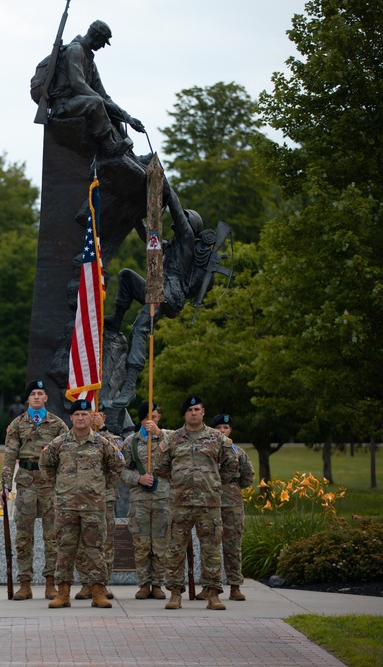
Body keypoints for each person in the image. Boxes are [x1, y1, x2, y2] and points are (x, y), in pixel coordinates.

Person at [104, 209, 224, 406]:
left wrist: (164, 188)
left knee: (139, 328)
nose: (178, 220)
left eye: (184, 219)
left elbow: (176, 210)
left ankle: (129, 386)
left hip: (169, 293)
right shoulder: (170, 245)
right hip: (157, 288)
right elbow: (147, 234)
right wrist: (134, 212)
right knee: (126, 275)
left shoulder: (187, 242)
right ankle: (116, 319)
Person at [153, 396, 238, 610]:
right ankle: (174, 593)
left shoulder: (217, 438)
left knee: (211, 549)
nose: (193, 413)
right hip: (180, 503)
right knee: (175, 550)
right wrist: (179, 480)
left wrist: (214, 482)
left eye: (197, 409)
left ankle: (213, 594)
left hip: (208, 503)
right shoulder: (173, 439)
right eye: (189, 410)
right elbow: (160, 466)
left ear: (203, 412)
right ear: (184, 414)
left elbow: (231, 464)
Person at [41, 399, 125, 609]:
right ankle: (63, 593)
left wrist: (102, 486)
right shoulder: (59, 443)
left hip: (93, 507)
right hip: (66, 506)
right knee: (65, 549)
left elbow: (117, 465)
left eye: (85, 414)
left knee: (95, 549)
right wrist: (60, 485)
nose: (80, 418)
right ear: (71, 417)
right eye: (77, 414)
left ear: (91, 417)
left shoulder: (102, 443)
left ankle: (98, 592)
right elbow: (45, 464)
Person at [1, 379, 69, 601]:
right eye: (33, 394)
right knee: (23, 535)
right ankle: (25, 583)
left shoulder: (58, 425)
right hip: (26, 482)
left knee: (52, 535)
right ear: (28, 399)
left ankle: (51, 583)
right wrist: (5, 485)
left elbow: (66, 457)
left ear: (46, 398)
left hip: (49, 483)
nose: (37, 397)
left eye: (41, 393)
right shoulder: (17, 424)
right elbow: (10, 456)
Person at [45, 20, 146, 157]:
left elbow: (104, 96)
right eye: (103, 41)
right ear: (96, 36)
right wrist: (101, 102)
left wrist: (127, 117)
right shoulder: (75, 50)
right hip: (64, 106)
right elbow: (78, 85)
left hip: (77, 104)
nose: (103, 46)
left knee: (111, 112)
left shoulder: (90, 61)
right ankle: (109, 146)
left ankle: (130, 156)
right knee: (96, 103)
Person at [120, 401, 170, 600]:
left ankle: (158, 584)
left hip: (162, 498)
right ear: (141, 419)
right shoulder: (131, 442)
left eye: (155, 416)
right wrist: (137, 478)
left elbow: (179, 452)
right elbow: (120, 469)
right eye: (149, 417)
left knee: (160, 543)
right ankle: (143, 584)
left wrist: (158, 433)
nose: (152, 420)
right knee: (141, 544)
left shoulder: (168, 438)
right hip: (140, 499)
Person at [73, 411, 123, 601]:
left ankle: (102, 583)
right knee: (81, 543)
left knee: (105, 542)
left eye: (98, 413)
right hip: (81, 498)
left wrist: (102, 429)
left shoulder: (110, 438)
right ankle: (86, 583)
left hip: (104, 497)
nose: (93, 417)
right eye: (90, 414)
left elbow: (119, 454)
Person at [211, 413, 254, 602]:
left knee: (232, 546)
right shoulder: (208, 450)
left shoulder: (238, 451)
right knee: (210, 546)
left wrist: (231, 488)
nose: (222, 431)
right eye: (219, 428)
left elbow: (248, 476)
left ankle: (235, 586)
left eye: (226, 428)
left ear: (230, 430)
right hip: (209, 502)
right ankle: (210, 586)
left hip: (231, 503)